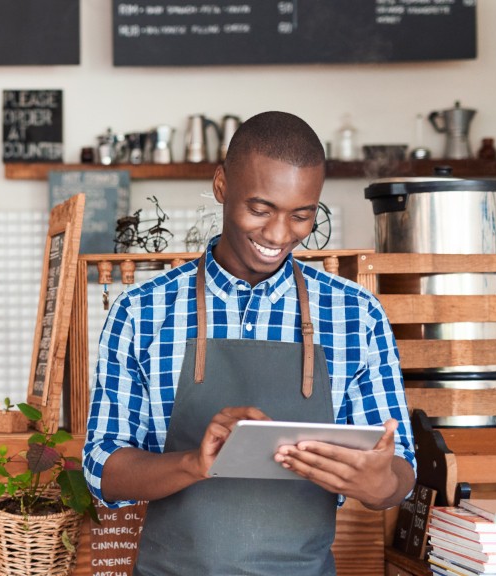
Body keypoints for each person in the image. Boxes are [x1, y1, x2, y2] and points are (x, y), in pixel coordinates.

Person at [82, 111, 416, 576]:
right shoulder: (141, 311)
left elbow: (400, 474)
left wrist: (378, 482)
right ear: (221, 185)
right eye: (260, 209)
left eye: (301, 216)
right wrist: (193, 463)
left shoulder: (355, 315)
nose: (279, 235)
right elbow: (103, 470)